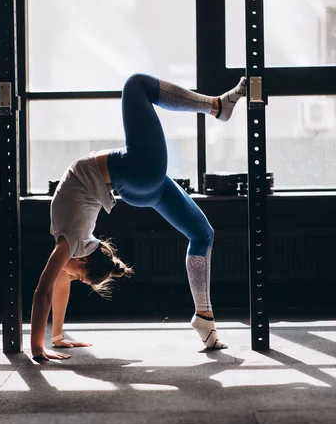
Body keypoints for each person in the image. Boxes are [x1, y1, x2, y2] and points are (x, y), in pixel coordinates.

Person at [30, 73, 246, 360]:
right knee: (135, 86)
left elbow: (45, 291)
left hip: (136, 187)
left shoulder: (69, 244)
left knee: (202, 234)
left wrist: (50, 341)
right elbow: (48, 290)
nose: (71, 278)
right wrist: (42, 345)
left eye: (78, 278)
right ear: (84, 259)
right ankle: (216, 106)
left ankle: (204, 318)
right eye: (79, 278)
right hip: (135, 174)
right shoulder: (70, 244)